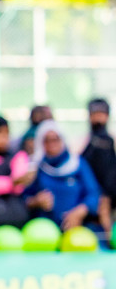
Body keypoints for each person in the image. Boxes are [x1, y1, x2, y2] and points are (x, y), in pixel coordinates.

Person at [24, 122, 103, 239]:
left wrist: (79, 212)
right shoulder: (35, 167)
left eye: (55, 139)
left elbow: (93, 194)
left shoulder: (77, 164)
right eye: (47, 140)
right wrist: (36, 201)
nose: (52, 144)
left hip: (77, 233)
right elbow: (23, 197)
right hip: (44, 236)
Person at [82, 98, 115, 236]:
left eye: (102, 113)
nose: (98, 118)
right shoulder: (84, 141)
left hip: (110, 194)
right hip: (89, 195)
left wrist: (106, 199)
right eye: (95, 113)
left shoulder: (110, 141)